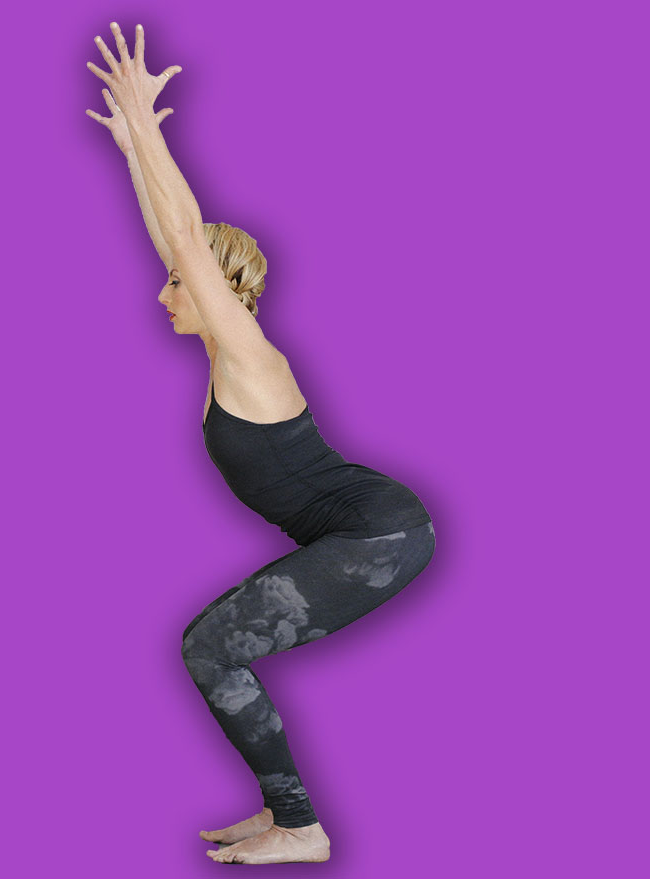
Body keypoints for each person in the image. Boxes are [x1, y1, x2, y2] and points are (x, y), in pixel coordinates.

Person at [87, 23, 436, 866]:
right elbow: (168, 233)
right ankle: (284, 811)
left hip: (378, 533)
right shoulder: (220, 355)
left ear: (214, 286)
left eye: (180, 278)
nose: (162, 288)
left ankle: (301, 827)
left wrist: (151, 124)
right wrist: (132, 144)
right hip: (358, 533)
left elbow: (182, 234)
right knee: (213, 644)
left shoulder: (250, 353)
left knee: (210, 647)